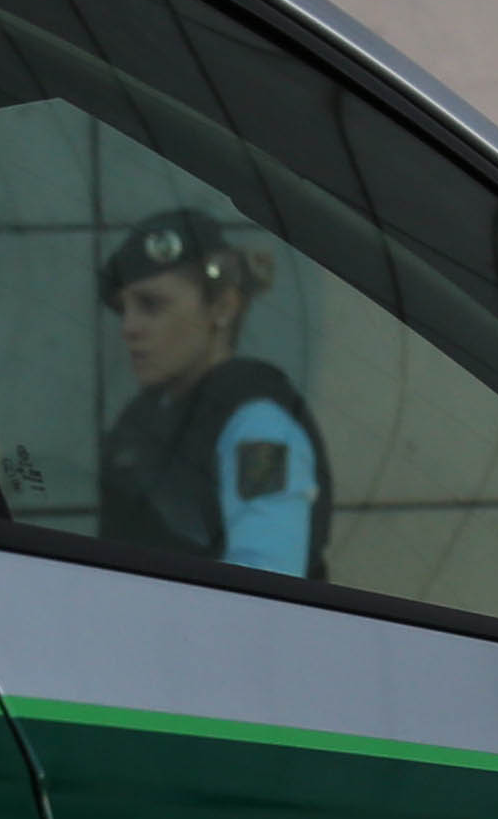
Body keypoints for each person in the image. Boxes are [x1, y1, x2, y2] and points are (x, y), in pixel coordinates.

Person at [96, 207, 326, 580]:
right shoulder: (141, 420)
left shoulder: (258, 427)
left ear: (222, 307)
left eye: (151, 305)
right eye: (124, 309)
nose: (129, 328)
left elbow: (266, 584)